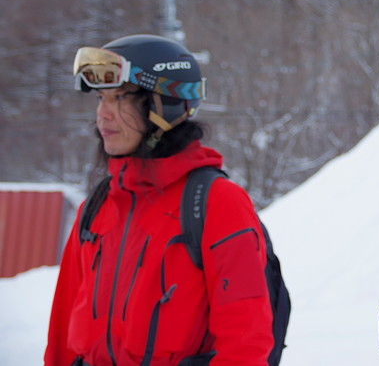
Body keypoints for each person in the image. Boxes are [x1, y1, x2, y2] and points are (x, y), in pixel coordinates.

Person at [46, 35, 273, 365]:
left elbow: (246, 341)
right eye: (100, 98)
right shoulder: (95, 207)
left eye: (120, 98)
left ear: (163, 103)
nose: (102, 115)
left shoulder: (217, 203)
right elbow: (62, 332)